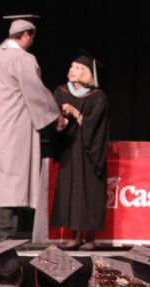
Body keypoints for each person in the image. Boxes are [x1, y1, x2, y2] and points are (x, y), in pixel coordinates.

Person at [0, 15, 60, 243]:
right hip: (13, 128)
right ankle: (1, 238)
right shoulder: (22, 59)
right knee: (10, 182)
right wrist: (55, 116)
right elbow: (36, 92)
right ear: (27, 35)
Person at [50, 53, 109, 250]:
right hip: (69, 149)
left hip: (90, 152)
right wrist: (60, 123)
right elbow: (55, 124)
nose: (71, 70)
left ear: (85, 72)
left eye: (76, 67)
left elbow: (96, 126)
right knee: (71, 191)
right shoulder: (60, 92)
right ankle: (74, 235)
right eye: (71, 66)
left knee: (90, 191)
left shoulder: (97, 97)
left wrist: (75, 112)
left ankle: (90, 237)